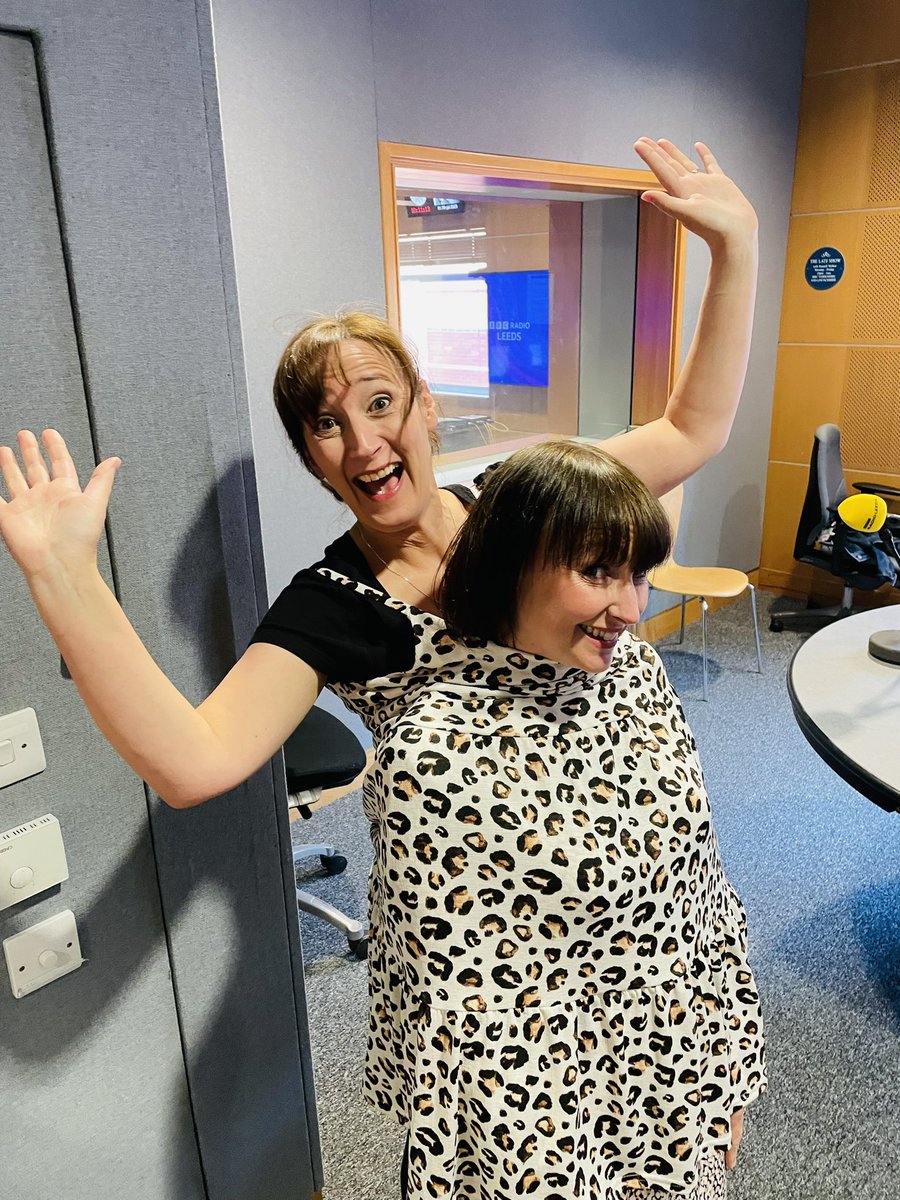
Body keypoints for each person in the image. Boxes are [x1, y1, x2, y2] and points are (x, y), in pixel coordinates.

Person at [0, 137, 758, 1195]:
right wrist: (68, 582)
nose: (360, 441)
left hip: (644, 926)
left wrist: (738, 251)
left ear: (425, 407)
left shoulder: (525, 501)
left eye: (378, 403)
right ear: (310, 454)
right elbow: (191, 760)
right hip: (499, 980)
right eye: (324, 422)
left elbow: (692, 426)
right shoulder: (333, 605)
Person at [374, 438, 762, 1199]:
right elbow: (463, 1021)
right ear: (513, 564)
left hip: (672, 1064)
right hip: (538, 1127)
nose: (629, 608)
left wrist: (725, 1073)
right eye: (596, 573)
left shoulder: (634, 673)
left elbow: (701, 890)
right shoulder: (434, 755)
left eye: (638, 575)